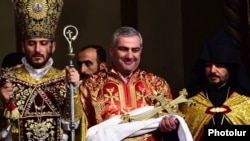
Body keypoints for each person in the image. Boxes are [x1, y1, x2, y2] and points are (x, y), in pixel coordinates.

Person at [80, 26, 192, 141]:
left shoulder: (158, 85)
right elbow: (82, 133)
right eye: (123, 49)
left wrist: (170, 128)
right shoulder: (90, 86)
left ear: (141, 51)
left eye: (135, 50)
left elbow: (176, 131)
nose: (129, 56)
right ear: (112, 51)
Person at [0, 0, 84, 140]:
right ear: (23, 46)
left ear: (53, 46)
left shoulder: (64, 78)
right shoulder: (6, 79)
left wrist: (73, 91)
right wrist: (2, 102)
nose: (38, 50)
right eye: (32, 44)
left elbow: (72, 125)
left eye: (43, 43)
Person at [182, 28, 250, 140]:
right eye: (208, 65)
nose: (212, 70)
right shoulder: (190, 103)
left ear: (231, 68)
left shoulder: (245, 102)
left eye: (219, 65)